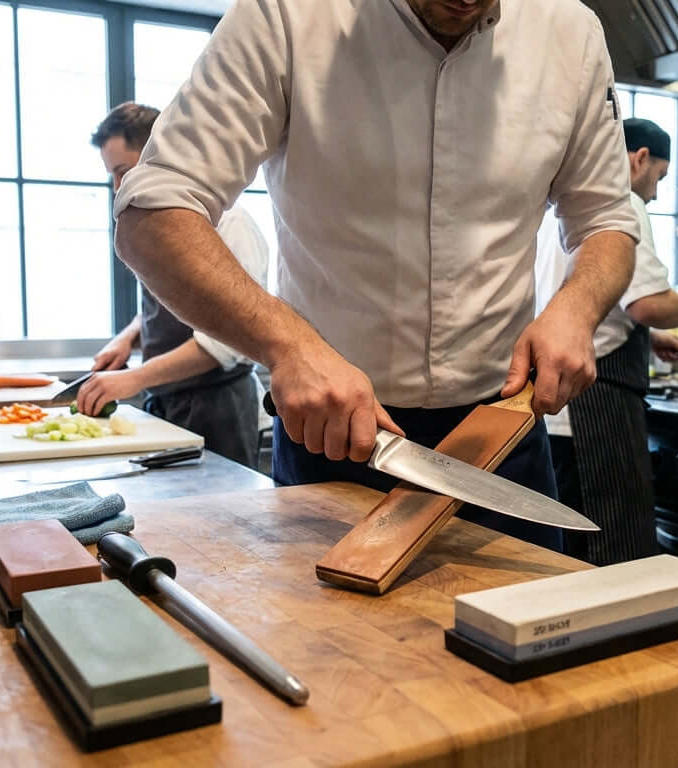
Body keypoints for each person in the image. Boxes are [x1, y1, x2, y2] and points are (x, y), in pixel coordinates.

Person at [110, 0, 638, 549]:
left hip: (501, 440)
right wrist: (288, 345)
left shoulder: (570, 32)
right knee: (323, 634)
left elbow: (605, 218)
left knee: (531, 628)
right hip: (335, 437)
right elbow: (152, 213)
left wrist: (577, 308)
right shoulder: (286, 16)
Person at [536, 117, 678, 566]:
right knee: (610, 553)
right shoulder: (619, 202)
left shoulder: (558, 206)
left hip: (551, 414)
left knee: (565, 555)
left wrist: (645, 335)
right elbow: (647, 303)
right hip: (591, 413)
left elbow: (583, 300)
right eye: (659, 177)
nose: (656, 193)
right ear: (640, 158)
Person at [83, 102, 269, 468]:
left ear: (157, 151)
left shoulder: (231, 224)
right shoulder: (163, 227)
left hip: (219, 407)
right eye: (112, 177)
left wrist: (134, 379)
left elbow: (227, 341)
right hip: (170, 402)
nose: (119, 187)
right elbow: (177, 302)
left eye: (124, 171)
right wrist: (129, 337)